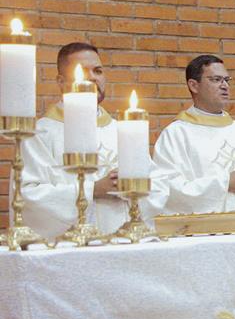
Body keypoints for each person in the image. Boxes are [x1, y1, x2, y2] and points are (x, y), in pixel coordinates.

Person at [20, 42, 161, 239]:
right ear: (61, 81)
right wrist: (92, 190)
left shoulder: (123, 130)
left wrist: (133, 186)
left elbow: (158, 185)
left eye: (98, 71)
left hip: (125, 243)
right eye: (83, 71)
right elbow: (29, 196)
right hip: (71, 247)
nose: (93, 77)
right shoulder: (41, 133)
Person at [153, 55, 235, 214]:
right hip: (206, 227)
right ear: (194, 85)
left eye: (226, 80)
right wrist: (225, 183)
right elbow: (169, 189)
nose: (225, 86)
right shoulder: (176, 134)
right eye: (216, 80)